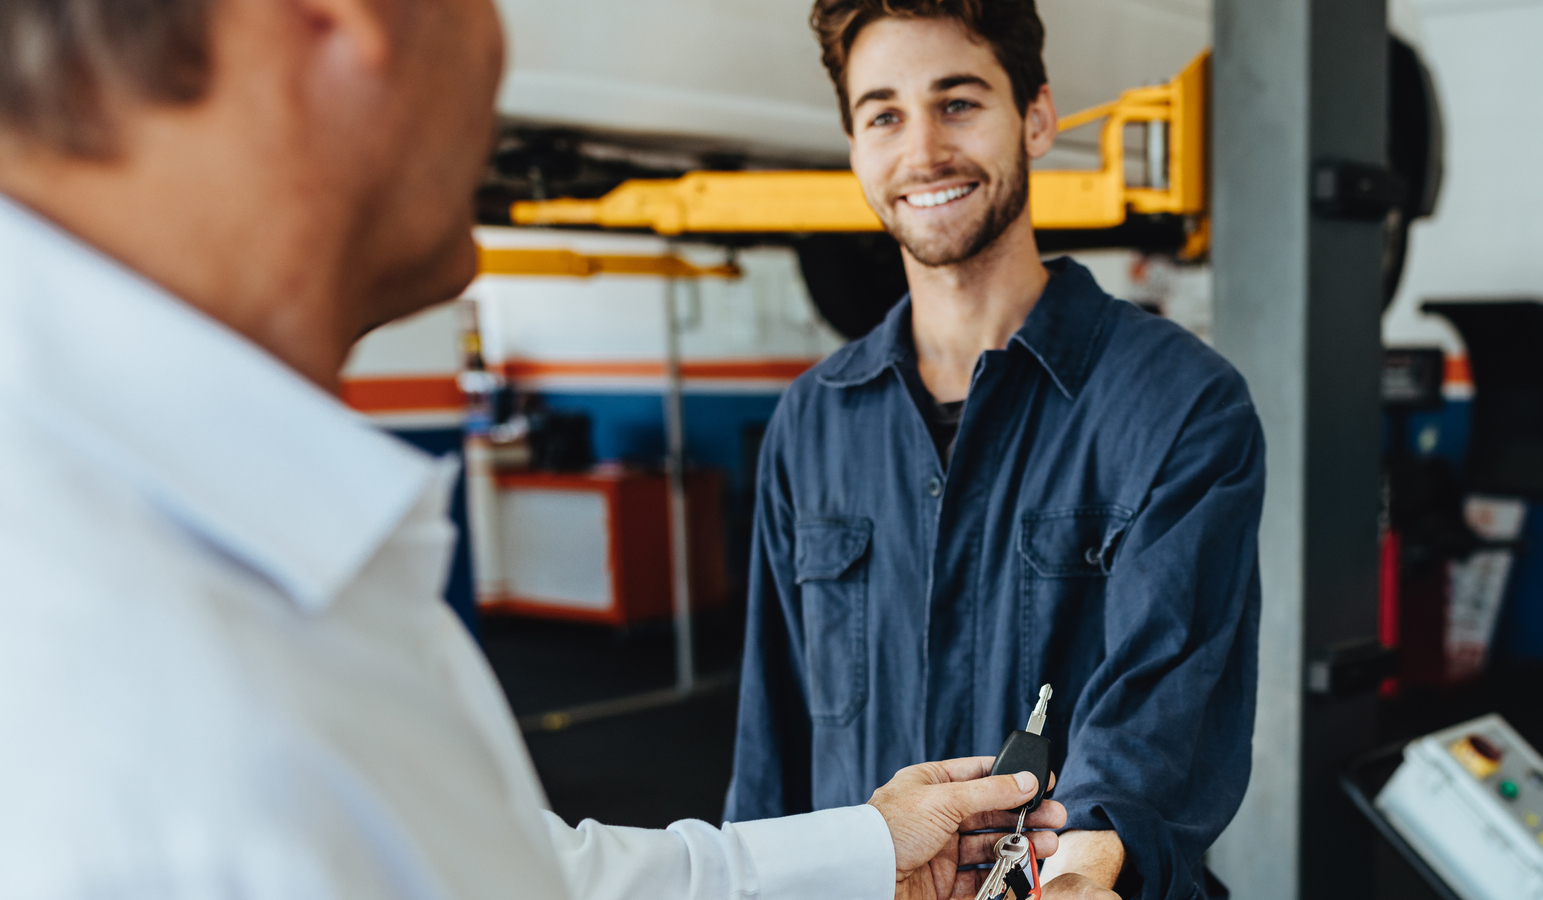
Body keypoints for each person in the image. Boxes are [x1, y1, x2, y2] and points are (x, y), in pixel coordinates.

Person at [0, 0, 1063, 897]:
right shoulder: (118, 667)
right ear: (343, 18)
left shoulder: (169, 555)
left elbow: (519, 876)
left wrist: (865, 848)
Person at [725, 3, 1266, 899]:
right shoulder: (812, 420)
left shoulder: (1179, 402)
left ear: (1036, 119)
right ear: (854, 146)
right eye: (884, 115)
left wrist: (1084, 867)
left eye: (958, 103)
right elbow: (771, 739)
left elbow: (1164, 701)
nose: (923, 150)